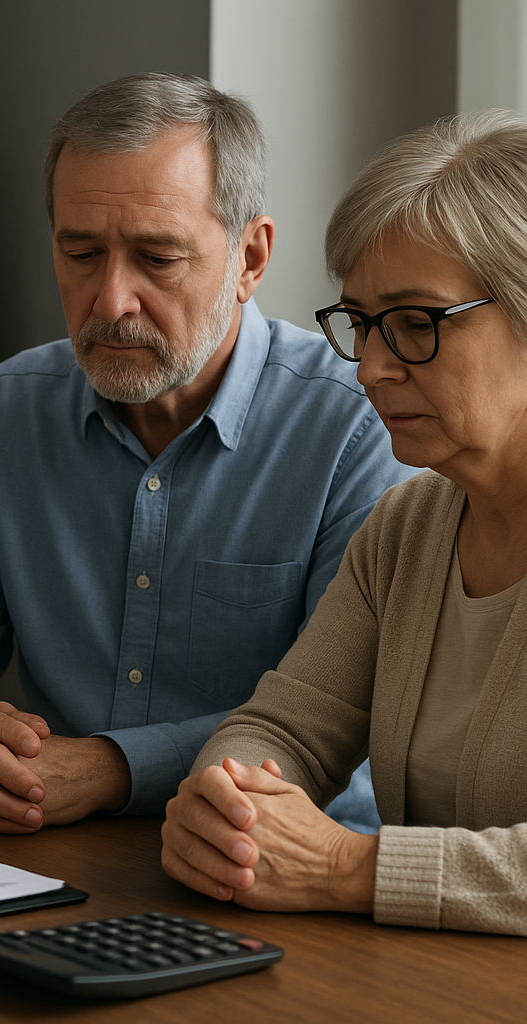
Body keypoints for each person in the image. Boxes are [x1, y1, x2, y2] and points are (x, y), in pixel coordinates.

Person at [0, 72, 414, 834]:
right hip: (49, 846)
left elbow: (342, 723)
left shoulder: (357, 428)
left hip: (274, 867)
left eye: (157, 258)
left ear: (251, 258)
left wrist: (111, 768)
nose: (111, 299)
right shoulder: (4, 411)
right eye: (81, 252)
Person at [161, 108, 527, 937]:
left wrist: (343, 865)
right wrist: (227, 805)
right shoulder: (408, 528)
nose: (369, 366)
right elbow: (284, 724)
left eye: (414, 324)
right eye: (360, 323)